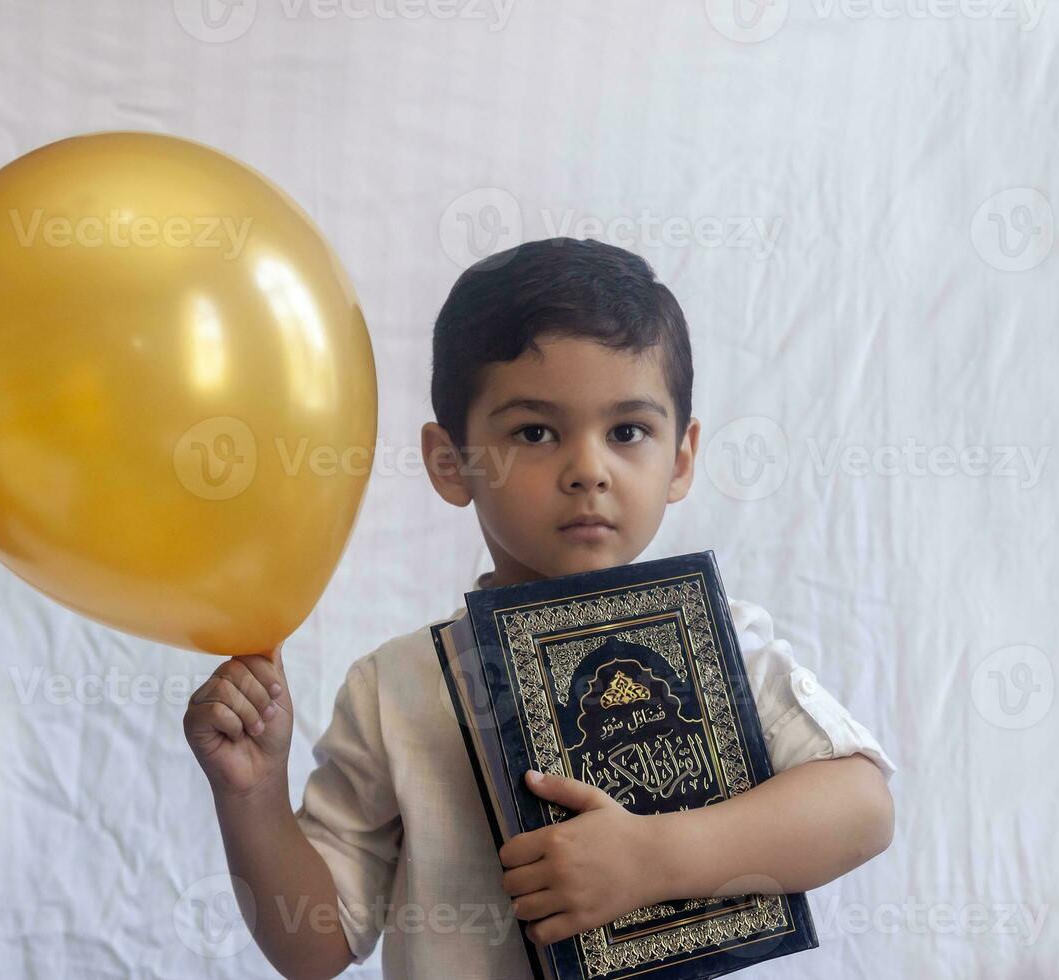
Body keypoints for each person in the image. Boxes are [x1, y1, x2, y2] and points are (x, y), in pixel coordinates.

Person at [183, 238, 896, 979]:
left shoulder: (719, 643)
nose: (588, 470)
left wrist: (655, 859)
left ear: (680, 458)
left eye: (628, 431)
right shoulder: (396, 686)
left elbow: (861, 810)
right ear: (451, 462)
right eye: (534, 432)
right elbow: (315, 945)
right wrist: (253, 794)